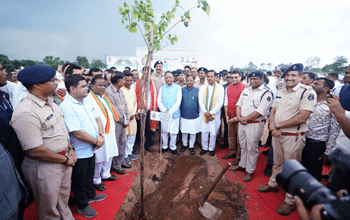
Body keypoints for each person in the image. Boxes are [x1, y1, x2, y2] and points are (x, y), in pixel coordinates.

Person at [10, 65, 76, 220]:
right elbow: (35, 150)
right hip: (44, 167)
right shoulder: (26, 112)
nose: (57, 82)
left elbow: (61, 129)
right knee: (49, 210)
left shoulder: (50, 102)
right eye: (52, 80)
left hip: (63, 160)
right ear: (37, 85)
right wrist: (65, 159)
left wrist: (70, 149)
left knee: (63, 203)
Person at [257, 63, 317, 216]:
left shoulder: (307, 92)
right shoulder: (280, 90)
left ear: (300, 77)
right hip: (277, 134)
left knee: (292, 170)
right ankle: (273, 183)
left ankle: (290, 200)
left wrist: (277, 125)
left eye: (293, 75)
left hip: (293, 137)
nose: (289, 78)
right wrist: (271, 126)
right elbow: (273, 110)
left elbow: (303, 116)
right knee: (276, 163)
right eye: (287, 75)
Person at [60, 74, 106, 218]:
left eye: (87, 85)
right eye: (83, 86)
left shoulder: (87, 100)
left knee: (89, 175)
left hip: (92, 147)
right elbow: (77, 132)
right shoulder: (66, 106)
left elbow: (98, 118)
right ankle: (82, 205)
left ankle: (91, 195)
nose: (87, 88)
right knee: (79, 180)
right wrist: (96, 141)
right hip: (79, 151)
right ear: (72, 89)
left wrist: (100, 136)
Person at [229, 70, 273, 182]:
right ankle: (242, 165)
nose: (253, 81)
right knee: (242, 145)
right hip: (242, 122)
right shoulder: (246, 89)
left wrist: (244, 119)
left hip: (254, 124)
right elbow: (239, 104)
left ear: (262, 79)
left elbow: (260, 111)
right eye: (251, 79)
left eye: (255, 79)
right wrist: (238, 118)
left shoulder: (266, 93)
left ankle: (250, 171)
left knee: (252, 148)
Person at [301, 78, 340, 181]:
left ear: (325, 88)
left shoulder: (331, 106)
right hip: (301, 139)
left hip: (316, 145)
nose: (313, 85)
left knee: (313, 172)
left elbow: (334, 130)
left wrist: (329, 150)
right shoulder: (307, 101)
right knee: (300, 170)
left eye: (317, 84)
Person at [86, 76, 119, 192]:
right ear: (92, 86)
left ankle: (106, 174)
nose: (102, 87)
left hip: (109, 132)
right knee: (99, 158)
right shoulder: (88, 98)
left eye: (104, 85)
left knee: (109, 154)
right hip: (99, 133)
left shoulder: (104, 97)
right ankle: (96, 179)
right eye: (99, 85)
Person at [105, 74, 132, 174]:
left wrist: (128, 118)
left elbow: (125, 105)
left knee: (122, 142)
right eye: (124, 80)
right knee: (116, 143)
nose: (125, 82)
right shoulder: (108, 92)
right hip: (116, 122)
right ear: (119, 82)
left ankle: (120, 162)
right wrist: (123, 121)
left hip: (124, 121)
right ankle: (116, 166)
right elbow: (113, 109)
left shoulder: (120, 90)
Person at [198, 70, 224, 156]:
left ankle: (211, 148)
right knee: (204, 132)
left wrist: (211, 112)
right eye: (208, 76)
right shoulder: (203, 87)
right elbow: (200, 101)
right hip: (204, 114)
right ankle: (204, 147)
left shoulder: (220, 88)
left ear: (215, 77)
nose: (209, 78)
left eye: (211, 76)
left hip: (215, 115)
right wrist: (205, 112)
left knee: (213, 132)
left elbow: (220, 103)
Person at [222, 71, 246, 163]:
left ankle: (238, 156)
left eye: (236, 77)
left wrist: (236, 118)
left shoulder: (245, 88)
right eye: (231, 77)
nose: (233, 79)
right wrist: (226, 115)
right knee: (230, 136)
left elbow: (245, 105)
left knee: (240, 138)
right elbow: (226, 102)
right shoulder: (228, 87)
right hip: (230, 116)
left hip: (240, 117)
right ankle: (232, 152)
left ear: (240, 77)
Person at [134, 66, 158, 152]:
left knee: (149, 130)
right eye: (144, 73)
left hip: (151, 111)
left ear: (151, 74)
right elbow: (134, 98)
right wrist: (136, 112)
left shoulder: (153, 83)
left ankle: (148, 145)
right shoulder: (137, 83)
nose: (146, 74)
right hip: (141, 111)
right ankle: (140, 145)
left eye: (148, 73)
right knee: (141, 129)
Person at [158, 72, 182, 155]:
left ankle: (173, 147)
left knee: (173, 132)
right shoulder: (162, 88)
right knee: (164, 131)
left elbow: (178, 102)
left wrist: (170, 112)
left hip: (174, 114)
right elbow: (159, 101)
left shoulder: (177, 88)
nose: (168, 79)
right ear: (165, 79)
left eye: (170, 77)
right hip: (164, 113)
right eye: (167, 77)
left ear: (173, 78)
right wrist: (164, 110)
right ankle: (164, 146)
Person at [179, 75, 200, 155]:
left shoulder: (197, 90)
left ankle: (191, 146)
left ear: (193, 81)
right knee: (184, 132)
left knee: (193, 132)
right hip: (184, 115)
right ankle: (184, 145)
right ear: (185, 81)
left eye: (191, 80)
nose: (189, 82)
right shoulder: (182, 90)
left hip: (194, 115)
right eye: (188, 80)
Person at [121, 72, 138, 164]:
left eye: (130, 80)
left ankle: (129, 152)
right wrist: (128, 115)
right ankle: (124, 155)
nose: (129, 82)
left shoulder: (132, 90)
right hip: (124, 117)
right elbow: (120, 105)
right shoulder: (120, 90)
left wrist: (133, 113)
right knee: (125, 137)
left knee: (132, 135)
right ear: (123, 80)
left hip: (132, 117)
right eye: (127, 80)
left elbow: (135, 103)